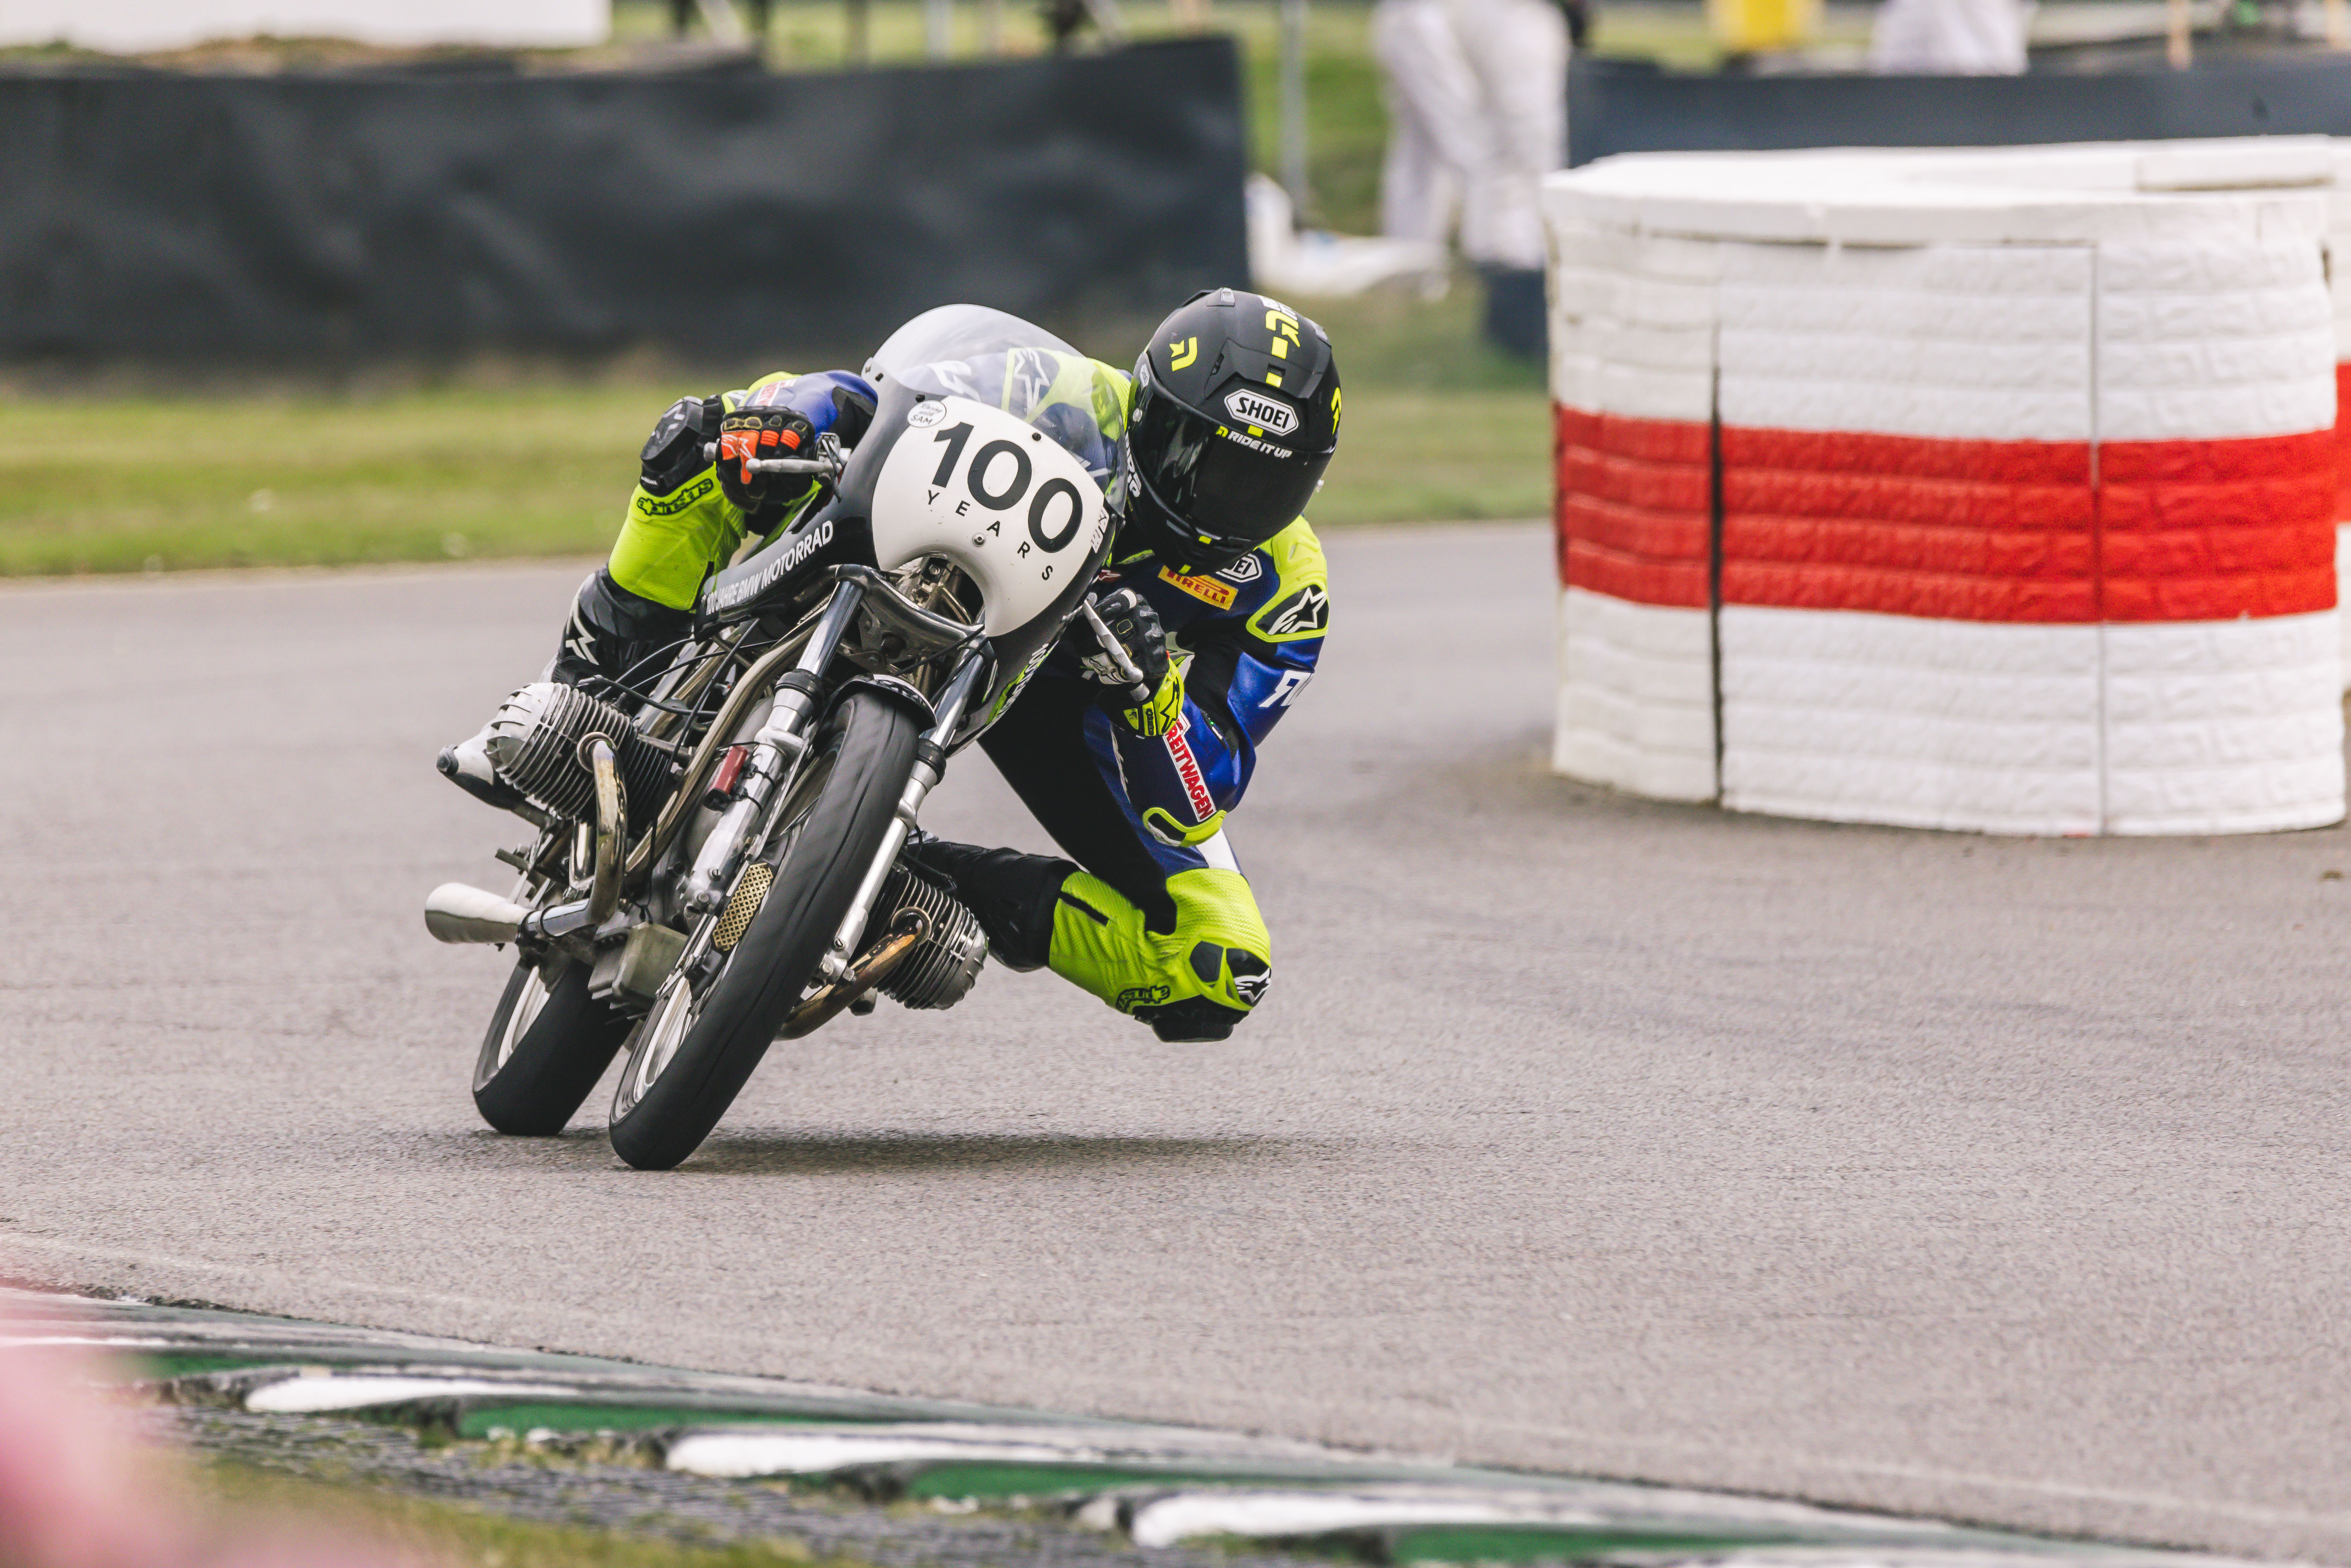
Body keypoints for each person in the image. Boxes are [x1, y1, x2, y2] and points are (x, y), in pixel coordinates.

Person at [441, 290, 1338, 1044]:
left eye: (1264, 486)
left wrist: (1152, 693)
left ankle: (884, 876)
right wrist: (796, 411)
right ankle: (582, 685)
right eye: (1199, 459)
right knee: (708, 434)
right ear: (1147, 412)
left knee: (1221, 965)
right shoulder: (1064, 395)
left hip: (1072, 694)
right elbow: (878, 396)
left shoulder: (1288, 584)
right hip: (911, 553)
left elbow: (1211, 780)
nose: (1221, 503)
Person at [1372, 0, 1571, 355]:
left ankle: (1425, 267)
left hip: (1423, 18)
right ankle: (1503, 264)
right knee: (1481, 151)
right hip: (1429, 19)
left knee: (1431, 158)